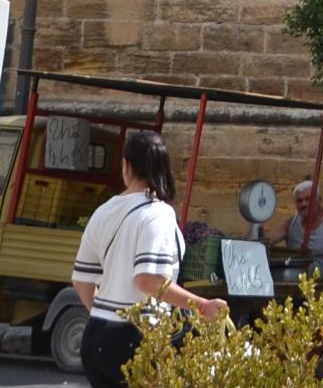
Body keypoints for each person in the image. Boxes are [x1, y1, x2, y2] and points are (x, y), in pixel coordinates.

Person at [70, 131, 225, 388]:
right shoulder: (159, 214)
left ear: (126, 166)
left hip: (96, 334)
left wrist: (103, 313)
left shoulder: (103, 211)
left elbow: (81, 280)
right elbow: (149, 280)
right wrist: (202, 305)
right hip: (137, 337)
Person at [279, 177, 323, 274]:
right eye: (299, 201)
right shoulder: (291, 223)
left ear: (319, 199)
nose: (304, 204)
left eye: (308, 199)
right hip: (296, 283)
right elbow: (269, 239)